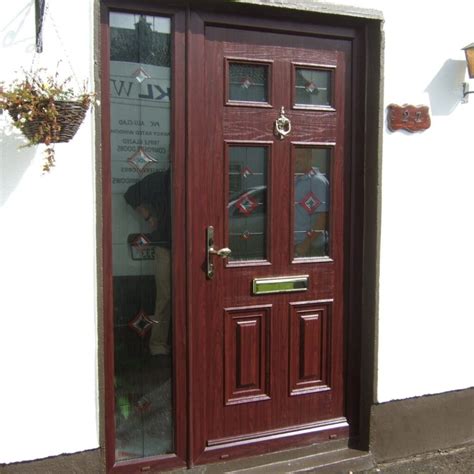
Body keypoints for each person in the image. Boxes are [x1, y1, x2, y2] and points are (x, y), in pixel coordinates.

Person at [124, 169, 171, 357]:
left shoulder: (196, 174)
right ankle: (158, 345)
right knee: (165, 297)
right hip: (165, 247)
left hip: (193, 249)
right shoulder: (160, 179)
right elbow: (131, 194)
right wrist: (148, 217)